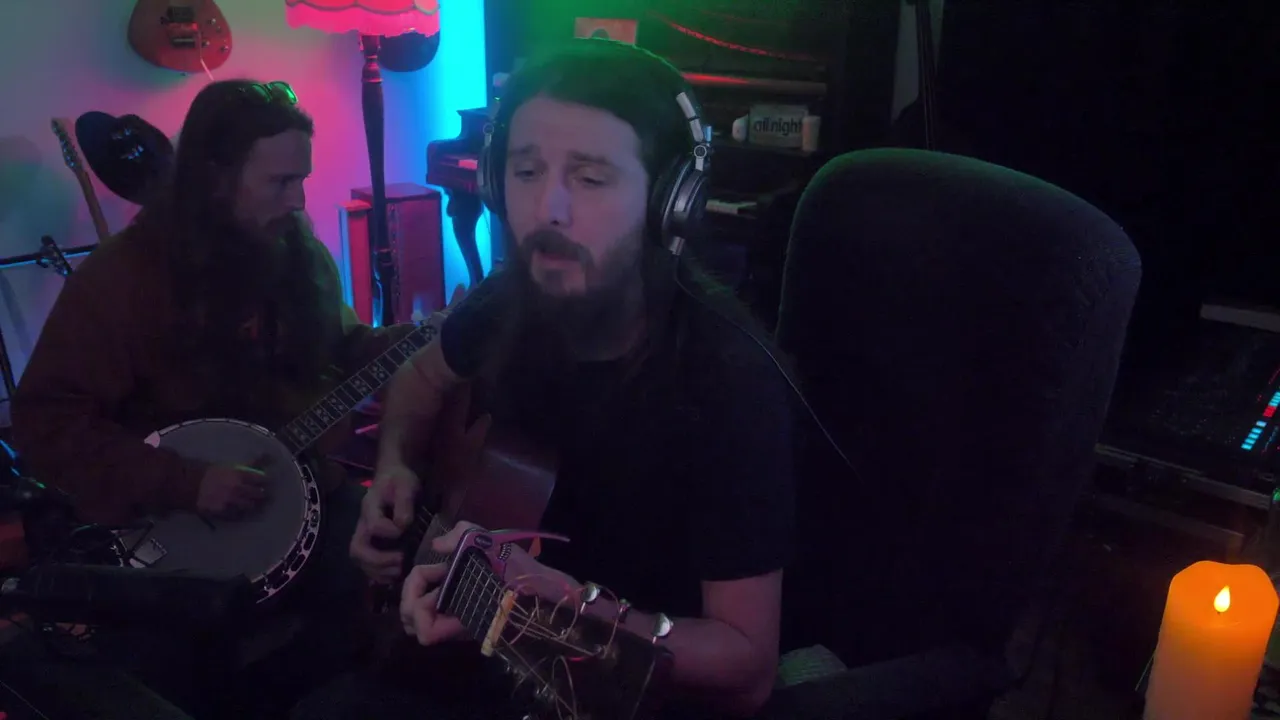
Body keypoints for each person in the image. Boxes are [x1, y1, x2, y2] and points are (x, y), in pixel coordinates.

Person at [295, 40, 796, 720]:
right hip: (475, 653)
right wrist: (397, 470)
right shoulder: (511, 298)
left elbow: (747, 665)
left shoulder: (728, 383)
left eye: (590, 179)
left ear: (670, 205)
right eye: (526, 171)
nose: (547, 209)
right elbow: (418, 376)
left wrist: (568, 610)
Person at [11, 80, 412, 718]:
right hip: (171, 531)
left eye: (302, 180)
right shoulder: (121, 279)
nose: (299, 200)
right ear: (215, 178)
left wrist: (416, 343)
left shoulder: (298, 254)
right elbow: (46, 420)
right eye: (280, 182)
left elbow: (341, 348)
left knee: (385, 575)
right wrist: (183, 481)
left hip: (303, 491)